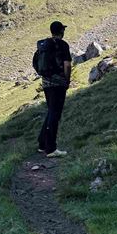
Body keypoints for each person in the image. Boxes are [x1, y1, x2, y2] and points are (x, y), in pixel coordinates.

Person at [33, 20, 71, 157]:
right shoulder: (62, 45)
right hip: (58, 83)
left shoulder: (45, 45)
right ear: (61, 31)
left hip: (46, 83)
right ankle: (51, 148)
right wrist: (66, 80)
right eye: (63, 29)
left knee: (51, 112)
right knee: (55, 114)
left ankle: (42, 144)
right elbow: (67, 65)